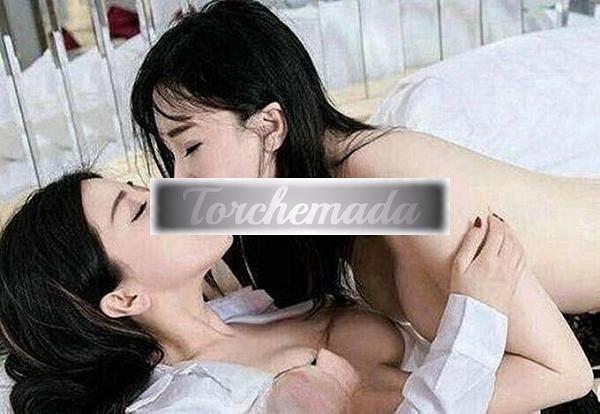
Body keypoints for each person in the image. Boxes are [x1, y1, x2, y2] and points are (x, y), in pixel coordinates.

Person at [129, 0, 600, 393]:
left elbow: (565, 374)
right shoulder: (309, 200)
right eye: (171, 156)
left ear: (270, 125)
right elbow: (158, 253)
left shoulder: (395, 185)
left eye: (190, 147)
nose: (180, 179)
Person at [0, 171, 591, 413]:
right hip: (553, 378)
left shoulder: (241, 306)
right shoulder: (195, 403)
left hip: (554, 361)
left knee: (404, 182)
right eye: (136, 209)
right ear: (124, 299)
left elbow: (399, 199)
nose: (166, 192)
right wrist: (477, 312)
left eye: (140, 184)